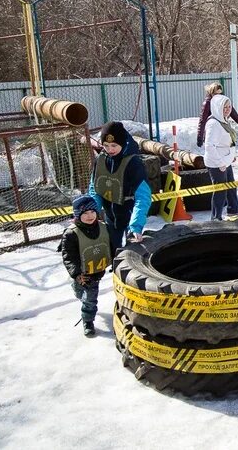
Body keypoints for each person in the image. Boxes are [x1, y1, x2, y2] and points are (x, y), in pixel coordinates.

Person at [88, 121, 152, 254]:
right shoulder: (101, 160)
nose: (110, 149)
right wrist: (90, 212)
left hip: (130, 216)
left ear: (122, 143)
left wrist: (136, 225)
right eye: (106, 145)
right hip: (111, 217)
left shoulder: (133, 163)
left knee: (133, 254)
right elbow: (95, 188)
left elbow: (143, 196)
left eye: (114, 145)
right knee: (113, 251)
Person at [59, 195, 113, 337]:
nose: (90, 216)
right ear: (78, 214)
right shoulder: (71, 234)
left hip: (97, 271)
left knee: (88, 298)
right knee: (85, 297)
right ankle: (86, 316)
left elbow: (111, 246)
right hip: (82, 274)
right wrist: (76, 274)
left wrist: (115, 261)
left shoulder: (104, 227)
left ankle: (87, 314)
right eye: (85, 213)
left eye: (92, 212)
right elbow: (68, 257)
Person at [204, 94, 238, 220]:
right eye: (224, 107)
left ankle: (233, 209)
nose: (227, 110)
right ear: (217, 108)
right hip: (217, 163)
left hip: (225, 161)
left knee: (231, 186)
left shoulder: (223, 120)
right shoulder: (213, 123)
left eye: (229, 107)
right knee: (220, 191)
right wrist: (220, 163)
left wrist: (230, 156)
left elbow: (226, 141)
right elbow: (209, 146)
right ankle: (216, 218)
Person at [197, 83, 238, 147]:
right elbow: (202, 121)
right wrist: (200, 138)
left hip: (222, 128)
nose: (218, 95)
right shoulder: (208, 103)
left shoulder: (223, 102)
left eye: (220, 93)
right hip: (213, 130)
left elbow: (235, 115)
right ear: (211, 93)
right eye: (215, 94)